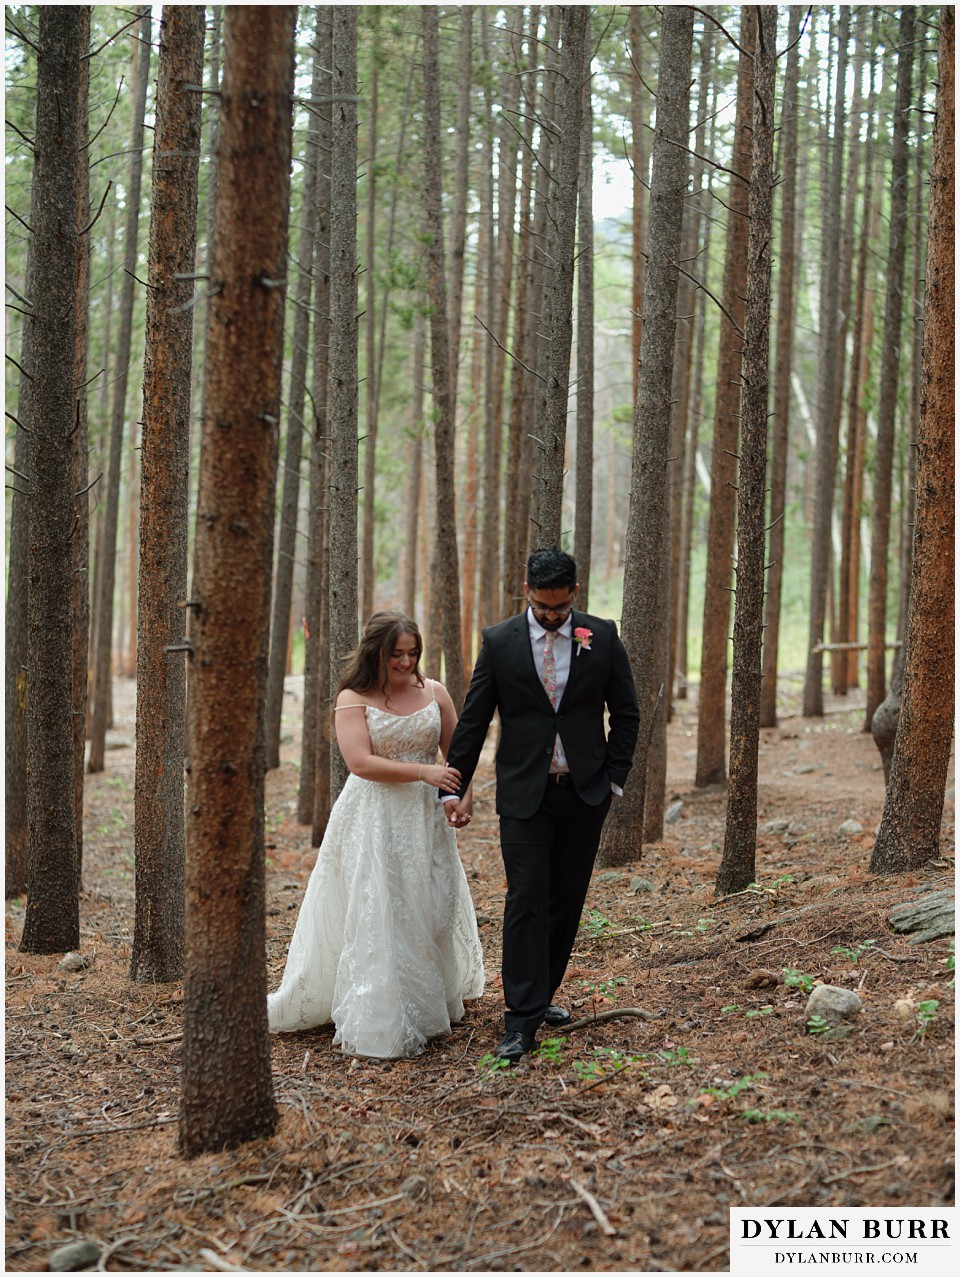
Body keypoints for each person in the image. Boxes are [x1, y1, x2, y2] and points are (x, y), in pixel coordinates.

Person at [443, 547, 640, 1062]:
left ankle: (543, 994)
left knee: (566, 899)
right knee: (526, 898)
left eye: (558, 606)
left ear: (574, 593)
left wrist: (614, 779)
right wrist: (453, 784)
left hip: (584, 793)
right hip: (524, 795)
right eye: (541, 606)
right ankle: (521, 1019)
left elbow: (627, 712)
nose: (550, 616)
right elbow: (474, 718)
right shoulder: (499, 641)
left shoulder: (602, 635)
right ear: (526, 592)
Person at [268, 611, 484, 1059]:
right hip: (376, 817)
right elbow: (361, 763)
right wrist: (425, 773)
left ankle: (429, 1003)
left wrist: (457, 799)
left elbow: (457, 755)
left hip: (425, 821)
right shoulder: (353, 697)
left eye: (412, 654)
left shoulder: (436, 693)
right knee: (383, 905)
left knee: (431, 903)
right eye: (396, 656)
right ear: (376, 654)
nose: (406, 663)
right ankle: (381, 1008)